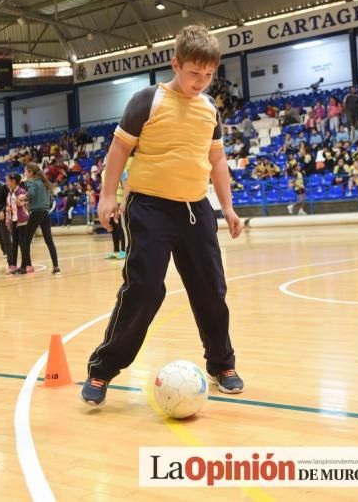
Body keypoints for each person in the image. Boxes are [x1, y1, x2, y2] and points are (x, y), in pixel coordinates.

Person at [81, 24, 244, 408]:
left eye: (208, 75)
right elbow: (118, 151)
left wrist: (228, 207)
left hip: (196, 209)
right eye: (194, 73)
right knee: (144, 289)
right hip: (150, 207)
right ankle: (102, 369)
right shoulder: (147, 100)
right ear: (176, 63)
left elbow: (217, 159)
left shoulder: (209, 110)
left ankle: (222, 364)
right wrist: (108, 197)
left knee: (211, 291)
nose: (201, 82)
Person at [17, 163, 61, 275]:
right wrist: (30, 204)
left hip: (36, 213)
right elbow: (41, 199)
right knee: (49, 241)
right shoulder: (43, 183)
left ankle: (23, 267)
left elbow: (31, 193)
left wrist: (23, 197)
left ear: (30, 172)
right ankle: (56, 266)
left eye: (26, 171)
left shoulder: (31, 182)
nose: (25, 174)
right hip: (45, 213)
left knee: (25, 241)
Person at [5, 173, 29, 274]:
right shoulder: (10, 192)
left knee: (23, 243)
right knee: (14, 243)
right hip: (14, 220)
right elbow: (9, 206)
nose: (6, 182)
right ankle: (13, 265)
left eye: (7, 180)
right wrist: (8, 219)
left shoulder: (21, 191)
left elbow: (26, 204)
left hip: (22, 220)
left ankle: (25, 266)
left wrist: (21, 202)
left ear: (13, 181)